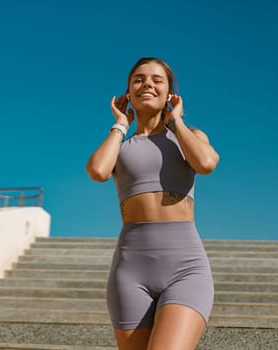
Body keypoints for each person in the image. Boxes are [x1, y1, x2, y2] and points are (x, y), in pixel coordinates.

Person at [86, 57, 220, 350]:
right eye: (139, 79)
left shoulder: (188, 137)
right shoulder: (119, 147)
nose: (147, 83)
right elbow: (97, 170)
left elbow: (207, 163)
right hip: (130, 269)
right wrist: (120, 125)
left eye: (157, 79)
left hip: (186, 267)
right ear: (128, 94)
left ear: (171, 94)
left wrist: (177, 121)